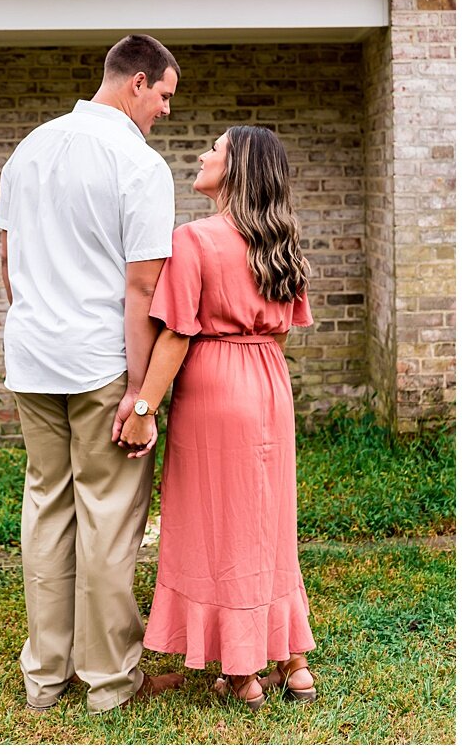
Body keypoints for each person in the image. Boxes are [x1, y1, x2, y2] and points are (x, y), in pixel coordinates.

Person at [0, 34, 184, 714]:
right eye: (164, 95)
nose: (165, 110)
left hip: (32, 359)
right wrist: (140, 393)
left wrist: (36, 334)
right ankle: (109, 683)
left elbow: (9, 266)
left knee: (46, 506)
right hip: (102, 362)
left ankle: (44, 678)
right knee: (107, 517)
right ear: (135, 82)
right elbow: (142, 291)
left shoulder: (30, 148)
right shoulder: (139, 165)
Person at [119, 126, 317, 709]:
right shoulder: (280, 241)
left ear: (235, 171)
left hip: (214, 385)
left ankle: (243, 672)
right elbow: (281, 330)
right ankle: (295, 664)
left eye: (216, 149)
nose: (202, 155)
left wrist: (142, 407)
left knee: (219, 526)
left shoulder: (196, 239)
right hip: (269, 384)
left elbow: (177, 335)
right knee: (269, 523)